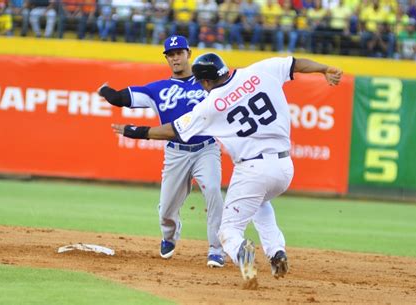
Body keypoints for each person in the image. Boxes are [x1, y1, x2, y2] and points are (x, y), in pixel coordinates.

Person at [112, 53, 342, 287]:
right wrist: (324, 69)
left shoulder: (211, 105)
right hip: (284, 167)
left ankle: (246, 260)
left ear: (205, 82)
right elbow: (296, 64)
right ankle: (276, 252)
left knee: (229, 231)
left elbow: (174, 131)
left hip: (253, 168)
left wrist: (136, 131)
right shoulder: (258, 71)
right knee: (260, 203)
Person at [98, 35, 225, 268]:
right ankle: (169, 236)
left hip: (206, 148)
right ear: (167, 58)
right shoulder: (158, 89)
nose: (175, 58)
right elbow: (121, 98)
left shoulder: (207, 83)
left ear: (189, 53)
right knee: (167, 209)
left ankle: (216, 249)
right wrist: (106, 92)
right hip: (176, 152)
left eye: (179, 53)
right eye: (171, 54)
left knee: (214, 191)